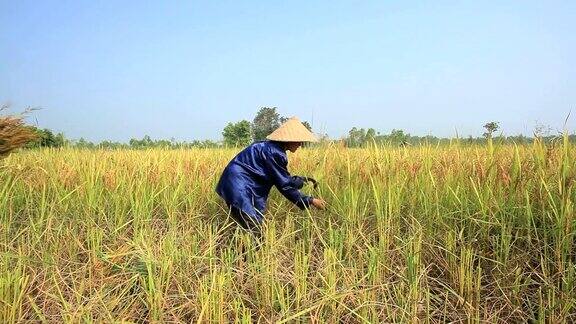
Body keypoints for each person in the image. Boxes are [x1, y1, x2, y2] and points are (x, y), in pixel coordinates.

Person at [216, 117, 327, 236]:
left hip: (239, 184)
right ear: (288, 139)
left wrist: (302, 181)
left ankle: (244, 251)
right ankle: (248, 253)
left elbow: (280, 177)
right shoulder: (275, 153)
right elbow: (284, 185)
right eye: (298, 140)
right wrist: (310, 200)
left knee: (251, 225)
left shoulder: (269, 147)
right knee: (254, 230)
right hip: (239, 186)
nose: (300, 144)